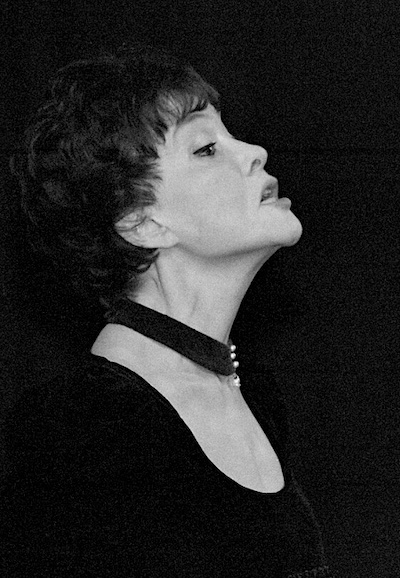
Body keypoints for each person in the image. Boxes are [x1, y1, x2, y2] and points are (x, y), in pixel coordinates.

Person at [1, 45, 334, 577]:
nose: (254, 151)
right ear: (142, 223)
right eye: (206, 148)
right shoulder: (79, 431)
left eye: (229, 135)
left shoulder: (255, 397)